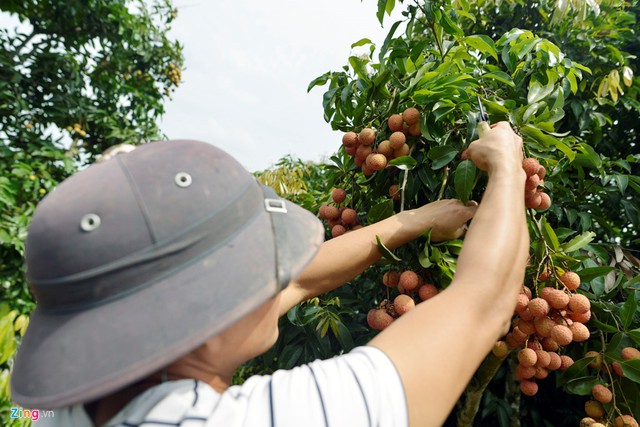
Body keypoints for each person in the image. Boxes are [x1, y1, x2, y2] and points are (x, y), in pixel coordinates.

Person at [10, 122, 528, 427]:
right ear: (202, 323)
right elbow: (483, 300)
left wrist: (408, 221)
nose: (273, 276)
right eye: (253, 266)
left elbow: (303, 280)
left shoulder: (88, 400)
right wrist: (506, 166)